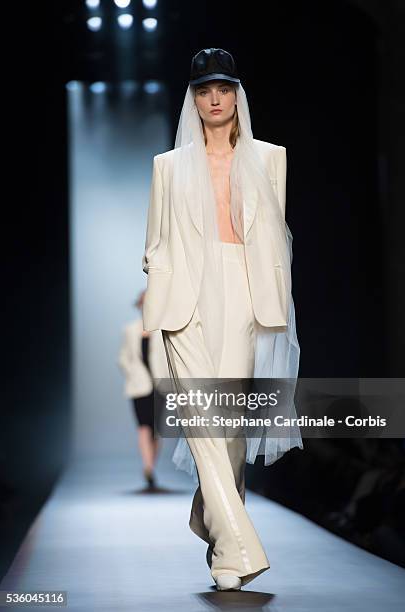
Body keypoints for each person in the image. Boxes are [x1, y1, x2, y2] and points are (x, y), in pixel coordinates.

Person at [141, 47, 303, 590]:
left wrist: (275, 302)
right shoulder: (166, 167)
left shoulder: (271, 158)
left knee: (229, 428)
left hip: (245, 295)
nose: (215, 99)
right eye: (205, 90)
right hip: (184, 302)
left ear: (237, 94)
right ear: (193, 98)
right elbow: (156, 243)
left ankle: (209, 523)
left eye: (224, 89)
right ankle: (239, 547)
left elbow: (276, 240)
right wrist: (155, 300)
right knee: (204, 422)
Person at [118, 289, 169, 489]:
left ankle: (150, 466)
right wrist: (131, 372)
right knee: (142, 426)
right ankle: (147, 467)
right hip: (139, 385)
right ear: (139, 305)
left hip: (160, 384)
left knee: (157, 429)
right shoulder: (130, 330)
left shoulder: (163, 328)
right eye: (143, 303)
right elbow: (123, 357)